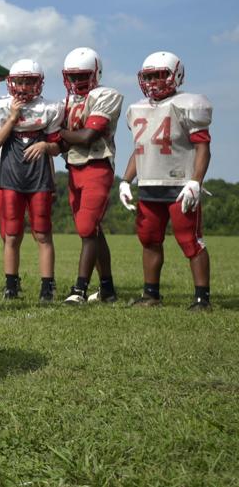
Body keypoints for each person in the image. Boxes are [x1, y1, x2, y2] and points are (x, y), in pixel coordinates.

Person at [119, 52, 213, 310]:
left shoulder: (187, 104)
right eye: (148, 76)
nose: (153, 81)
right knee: (149, 239)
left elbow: (203, 147)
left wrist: (195, 181)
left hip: (180, 186)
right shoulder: (137, 108)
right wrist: (126, 181)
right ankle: (151, 295)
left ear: (176, 75)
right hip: (149, 185)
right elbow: (140, 149)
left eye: (159, 75)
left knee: (190, 241)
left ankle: (202, 299)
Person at [0, 60, 64, 302]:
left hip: (39, 178)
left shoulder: (50, 108)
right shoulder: (0, 107)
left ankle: (47, 286)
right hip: (11, 176)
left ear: (39, 83)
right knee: (11, 234)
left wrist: (45, 145)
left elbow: (57, 148)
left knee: (43, 233)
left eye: (28, 82)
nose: (22, 87)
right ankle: (11, 285)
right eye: (19, 81)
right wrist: (12, 119)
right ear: (11, 82)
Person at [57, 48, 122, 304]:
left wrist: (61, 134)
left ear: (96, 73)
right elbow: (64, 143)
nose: (77, 81)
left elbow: (87, 137)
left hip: (97, 165)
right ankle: (107, 290)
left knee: (86, 228)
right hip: (74, 168)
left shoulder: (106, 95)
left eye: (82, 75)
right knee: (92, 230)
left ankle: (79, 289)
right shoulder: (68, 101)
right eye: (73, 76)